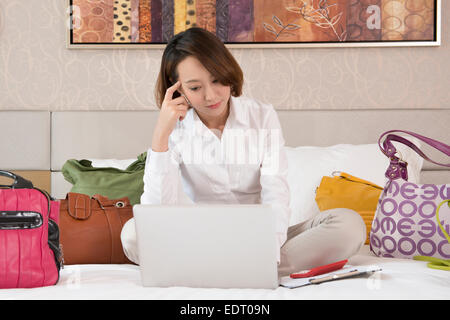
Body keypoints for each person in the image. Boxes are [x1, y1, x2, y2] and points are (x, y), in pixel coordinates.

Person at [121, 27, 366, 277]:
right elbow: (156, 213)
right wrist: (161, 134)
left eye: (217, 79)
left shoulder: (262, 116)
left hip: (258, 238)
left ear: (227, 71)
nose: (211, 95)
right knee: (132, 234)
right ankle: (246, 271)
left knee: (349, 225)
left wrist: (266, 249)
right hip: (195, 240)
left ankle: (215, 271)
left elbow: (276, 195)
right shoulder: (175, 128)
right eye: (195, 88)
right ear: (179, 90)